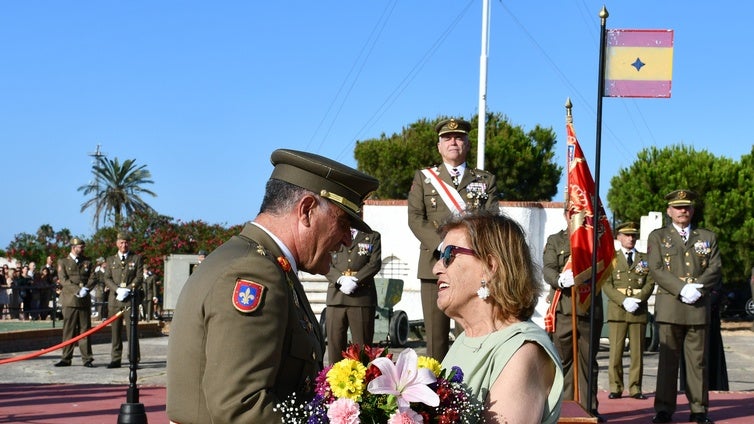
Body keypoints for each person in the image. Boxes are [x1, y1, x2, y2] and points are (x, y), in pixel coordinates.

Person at [166, 148, 379, 423]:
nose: (347, 241)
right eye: (342, 224)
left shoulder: (265, 265)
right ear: (307, 210)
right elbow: (242, 407)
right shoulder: (255, 273)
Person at [437, 211, 563, 423]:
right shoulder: (464, 339)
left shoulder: (522, 351)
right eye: (438, 256)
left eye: (449, 254)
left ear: (490, 267)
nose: (437, 267)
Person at [407, 117, 499, 361]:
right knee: (435, 341)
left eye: (459, 137)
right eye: (447, 138)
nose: (453, 142)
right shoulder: (424, 178)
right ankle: (437, 396)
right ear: (439, 146)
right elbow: (415, 218)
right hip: (433, 266)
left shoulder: (484, 180)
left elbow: (492, 219)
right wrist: (442, 245)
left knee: (470, 334)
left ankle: (467, 393)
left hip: (471, 265)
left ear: (467, 144)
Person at [648, 189, 721, 424]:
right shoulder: (658, 237)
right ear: (669, 210)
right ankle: (664, 409)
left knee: (697, 362)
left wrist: (698, 288)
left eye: (687, 207)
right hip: (671, 306)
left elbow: (715, 267)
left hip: (698, 306)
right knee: (668, 361)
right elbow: (656, 269)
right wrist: (681, 289)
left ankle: (699, 409)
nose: (683, 211)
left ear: (693, 210)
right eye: (678, 207)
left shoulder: (707, 237)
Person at [543, 216, 605, 422]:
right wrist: (559, 279)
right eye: (572, 213)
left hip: (588, 309)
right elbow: (548, 267)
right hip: (564, 309)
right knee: (563, 361)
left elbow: (605, 265)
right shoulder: (556, 240)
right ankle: (566, 408)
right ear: (566, 215)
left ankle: (589, 409)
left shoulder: (595, 240)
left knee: (588, 362)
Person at [601, 222, 655, 400]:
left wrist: (637, 299)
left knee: (637, 353)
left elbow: (650, 282)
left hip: (638, 310)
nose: (631, 238)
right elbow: (606, 284)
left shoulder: (644, 258)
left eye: (633, 235)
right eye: (626, 235)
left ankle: (635, 388)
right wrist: (623, 300)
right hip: (618, 309)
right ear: (619, 237)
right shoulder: (611, 258)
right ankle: (616, 387)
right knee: (615, 352)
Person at [324, 225, 382, 365]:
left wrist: (356, 280)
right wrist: (340, 279)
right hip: (336, 296)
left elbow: (374, 263)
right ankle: (333, 383)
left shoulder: (372, 236)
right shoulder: (331, 233)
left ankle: (362, 383)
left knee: (362, 349)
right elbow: (323, 260)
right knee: (335, 347)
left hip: (361, 298)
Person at [54, 237, 97, 367]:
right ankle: (66, 358)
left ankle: (87, 358)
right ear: (73, 247)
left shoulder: (87, 262)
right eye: (80, 247)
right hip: (70, 300)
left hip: (84, 300)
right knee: (69, 330)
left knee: (85, 331)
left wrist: (86, 289)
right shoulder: (63, 262)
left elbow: (93, 277)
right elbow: (63, 280)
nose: (83, 249)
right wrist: (77, 290)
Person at [104, 231, 144, 369]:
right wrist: (117, 289)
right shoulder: (110, 260)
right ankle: (115, 359)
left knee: (132, 331)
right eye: (121, 242)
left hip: (130, 300)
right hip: (115, 300)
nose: (124, 245)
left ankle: (134, 359)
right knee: (115, 331)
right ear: (117, 243)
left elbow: (139, 277)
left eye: (126, 242)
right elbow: (106, 278)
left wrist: (128, 288)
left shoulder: (136, 258)